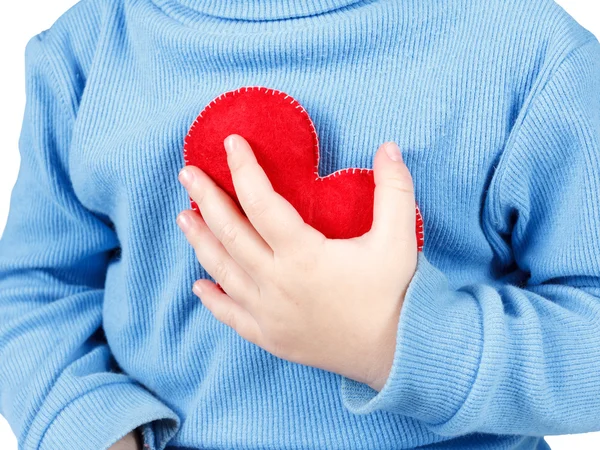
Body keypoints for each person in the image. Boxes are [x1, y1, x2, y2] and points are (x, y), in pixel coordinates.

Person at [1, 0, 600, 449]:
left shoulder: (529, 51)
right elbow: (34, 291)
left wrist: (399, 342)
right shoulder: (88, 51)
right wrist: (91, 429)